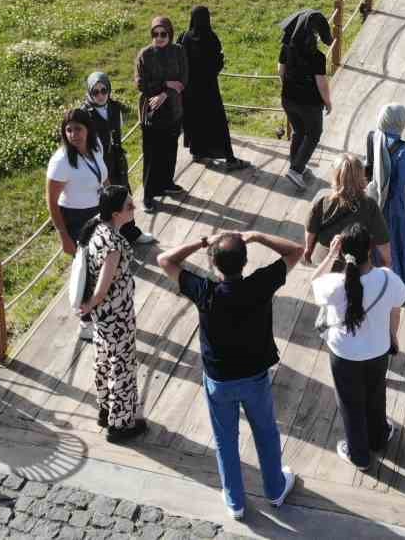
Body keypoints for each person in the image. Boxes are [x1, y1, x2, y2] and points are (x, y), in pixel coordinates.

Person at [161, 231, 303, 520]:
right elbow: (296, 251)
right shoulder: (261, 284)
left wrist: (201, 244)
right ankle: (275, 489)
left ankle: (235, 501)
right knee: (266, 432)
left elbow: (164, 260)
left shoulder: (205, 291)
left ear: (214, 264)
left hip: (219, 380)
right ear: (245, 261)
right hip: (255, 377)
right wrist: (259, 236)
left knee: (225, 439)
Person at [310, 224, 405, 469]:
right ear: (371, 249)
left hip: (343, 354)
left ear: (343, 252)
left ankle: (360, 456)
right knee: (376, 394)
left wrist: (331, 254)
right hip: (378, 350)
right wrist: (393, 336)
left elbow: (313, 281)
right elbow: (397, 308)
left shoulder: (333, 285)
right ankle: (379, 436)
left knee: (351, 405)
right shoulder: (388, 279)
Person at [77, 185, 147, 442]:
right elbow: (103, 286)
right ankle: (121, 424)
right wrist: (90, 304)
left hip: (103, 316)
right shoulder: (114, 244)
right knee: (123, 366)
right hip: (116, 314)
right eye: (129, 206)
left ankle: (106, 410)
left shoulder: (96, 227)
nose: (134, 208)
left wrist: (91, 307)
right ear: (117, 212)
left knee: (104, 358)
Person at [46, 108, 109, 342]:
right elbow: (51, 201)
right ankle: (85, 321)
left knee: (101, 265)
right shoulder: (61, 161)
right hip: (75, 219)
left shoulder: (95, 147)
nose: (73, 134)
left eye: (78, 129)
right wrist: (64, 235)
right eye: (69, 130)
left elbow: (103, 177)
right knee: (85, 270)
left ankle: (97, 307)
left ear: (88, 129)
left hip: (97, 213)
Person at [81, 72, 157, 246]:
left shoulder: (114, 107)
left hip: (117, 160)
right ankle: (112, 240)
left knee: (123, 196)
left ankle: (132, 233)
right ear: (89, 92)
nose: (100, 95)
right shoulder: (84, 114)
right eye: (95, 92)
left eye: (104, 90)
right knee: (106, 202)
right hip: (98, 164)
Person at [179, 6, 249, 171]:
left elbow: (180, 60)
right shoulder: (211, 39)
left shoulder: (185, 38)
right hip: (209, 90)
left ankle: (198, 152)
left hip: (190, 91)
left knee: (196, 121)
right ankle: (230, 159)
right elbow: (217, 63)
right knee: (218, 124)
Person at [135, 15, 189, 210]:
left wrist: (165, 94)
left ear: (170, 33)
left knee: (169, 149)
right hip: (152, 111)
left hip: (173, 109)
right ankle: (148, 194)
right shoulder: (145, 55)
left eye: (163, 34)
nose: (159, 37)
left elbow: (183, 79)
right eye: (155, 34)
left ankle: (166, 183)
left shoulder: (178, 51)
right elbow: (140, 84)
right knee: (151, 154)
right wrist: (165, 85)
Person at [302, 154, 392, 271]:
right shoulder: (370, 205)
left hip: (324, 259)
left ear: (335, 175)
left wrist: (308, 250)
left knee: (324, 286)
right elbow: (382, 240)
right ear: (361, 176)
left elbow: (311, 230)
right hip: (357, 262)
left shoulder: (323, 197)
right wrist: (387, 262)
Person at [277, 9, 333, 191]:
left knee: (299, 131)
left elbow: (281, 71)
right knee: (314, 133)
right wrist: (328, 101)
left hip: (288, 98)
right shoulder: (317, 57)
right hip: (309, 104)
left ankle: (296, 163)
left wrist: (288, 87)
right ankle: (296, 169)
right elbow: (321, 83)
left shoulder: (286, 49)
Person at [367, 103, 405, 292]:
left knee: (378, 243)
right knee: (400, 242)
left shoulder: (373, 137)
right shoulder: (403, 150)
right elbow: (401, 183)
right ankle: (403, 284)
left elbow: (369, 168)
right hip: (395, 207)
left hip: (375, 202)